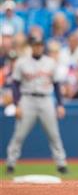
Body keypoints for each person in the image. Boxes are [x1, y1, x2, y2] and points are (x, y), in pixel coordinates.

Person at [6, 35, 68, 174]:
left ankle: (61, 163)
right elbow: (15, 84)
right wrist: (17, 105)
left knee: (54, 134)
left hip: (46, 99)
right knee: (19, 134)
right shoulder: (22, 62)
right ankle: (11, 163)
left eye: (40, 45)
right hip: (27, 100)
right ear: (31, 47)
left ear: (43, 47)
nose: (38, 47)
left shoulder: (50, 62)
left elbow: (57, 85)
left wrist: (60, 104)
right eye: (35, 45)